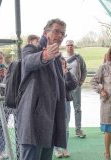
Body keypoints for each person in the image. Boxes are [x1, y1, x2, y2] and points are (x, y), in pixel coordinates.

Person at [18, 18, 68, 160]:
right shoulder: (31, 49)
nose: (59, 36)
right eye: (56, 31)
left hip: (51, 122)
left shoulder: (58, 58)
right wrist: (45, 56)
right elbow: (28, 62)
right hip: (34, 122)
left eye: (63, 33)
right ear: (45, 32)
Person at [54, 57, 78, 158]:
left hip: (66, 102)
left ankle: (65, 148)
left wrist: (67, 74)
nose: (61, 66)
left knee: (66, 126)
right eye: (60, 64)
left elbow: (73, 86)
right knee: (55, 126)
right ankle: (56, 149)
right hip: (55, 103)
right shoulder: (53, 74)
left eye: (63, 64)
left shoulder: (68, 74)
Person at [64, 40, 87, 138]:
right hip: (65, 88)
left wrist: (81, 82)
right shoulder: (61, 57)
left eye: (71, 45)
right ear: (65, 46)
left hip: (76, 87)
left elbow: (84, 70)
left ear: (74, 46)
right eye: (68, 45)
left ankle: (78, 130)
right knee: (65, 109)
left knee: (77, 108)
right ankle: (65, 130)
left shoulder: (78, 58)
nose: (70, 47)